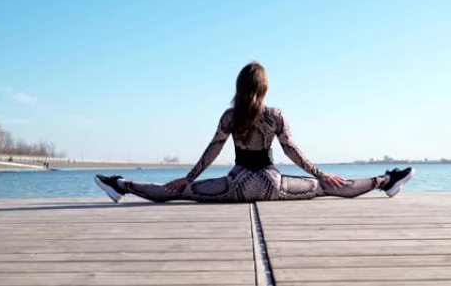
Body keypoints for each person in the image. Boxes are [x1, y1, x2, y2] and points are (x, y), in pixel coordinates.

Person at [94, 61, 414, 203]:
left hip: (233, 187)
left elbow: (213, 151)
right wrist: (321, 173)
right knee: (328, 187)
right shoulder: (275, 115)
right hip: (274, 185)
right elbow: (291, 151)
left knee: (178, 192)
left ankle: (121, 185)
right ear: (264, 87)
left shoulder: (230, 116)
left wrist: (188, 179)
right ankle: (385, 181)